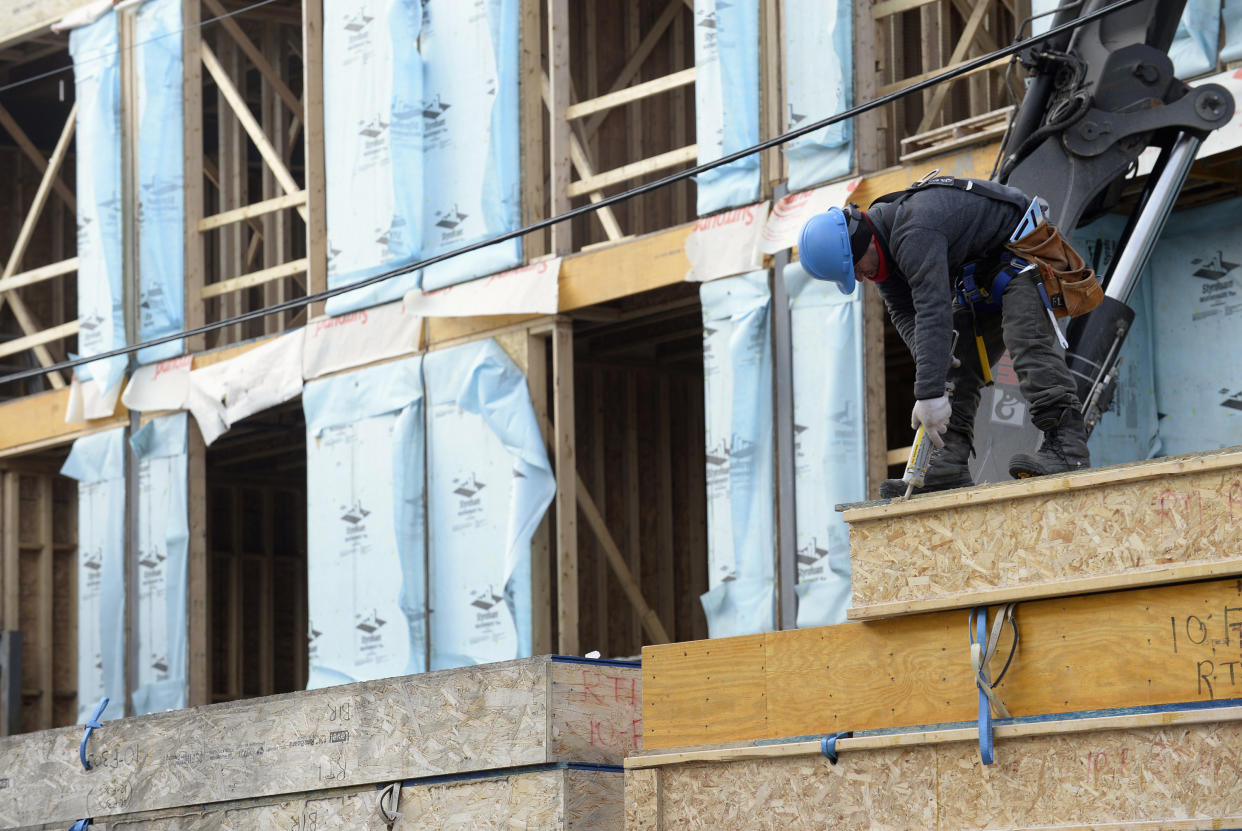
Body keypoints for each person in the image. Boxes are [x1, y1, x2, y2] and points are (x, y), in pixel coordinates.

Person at [798, 176, 1090, 498]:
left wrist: (929, 392)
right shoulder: (883, 252)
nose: (858, 277)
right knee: (951, 355)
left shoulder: (913, 231)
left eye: (853, 268)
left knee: (1025, 341)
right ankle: (947, 464)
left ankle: (1067, 446)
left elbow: (932, 309)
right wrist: (934, 371)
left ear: (864, 242)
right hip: (982, 273)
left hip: (1022, 254)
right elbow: (905, 315)